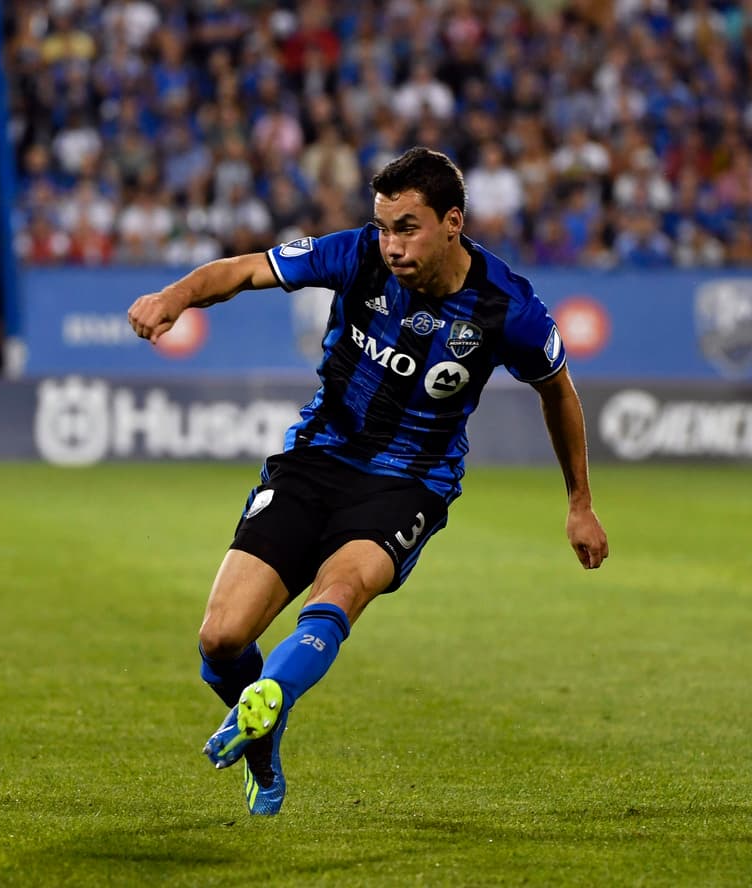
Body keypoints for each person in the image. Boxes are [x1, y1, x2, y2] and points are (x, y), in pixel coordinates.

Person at [126, 147, 609, 817]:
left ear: (452, 222)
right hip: (317, 458)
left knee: (344, 586)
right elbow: (244, 269)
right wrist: (174, 296)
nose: (391, 245)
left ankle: (275, 694)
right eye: (383, 227)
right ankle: (266, 731)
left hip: (409, 482)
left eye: (406, 227)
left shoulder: (509, 309)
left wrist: (579, 504)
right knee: (220, 641)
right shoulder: (354, 255)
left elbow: (558, 393)